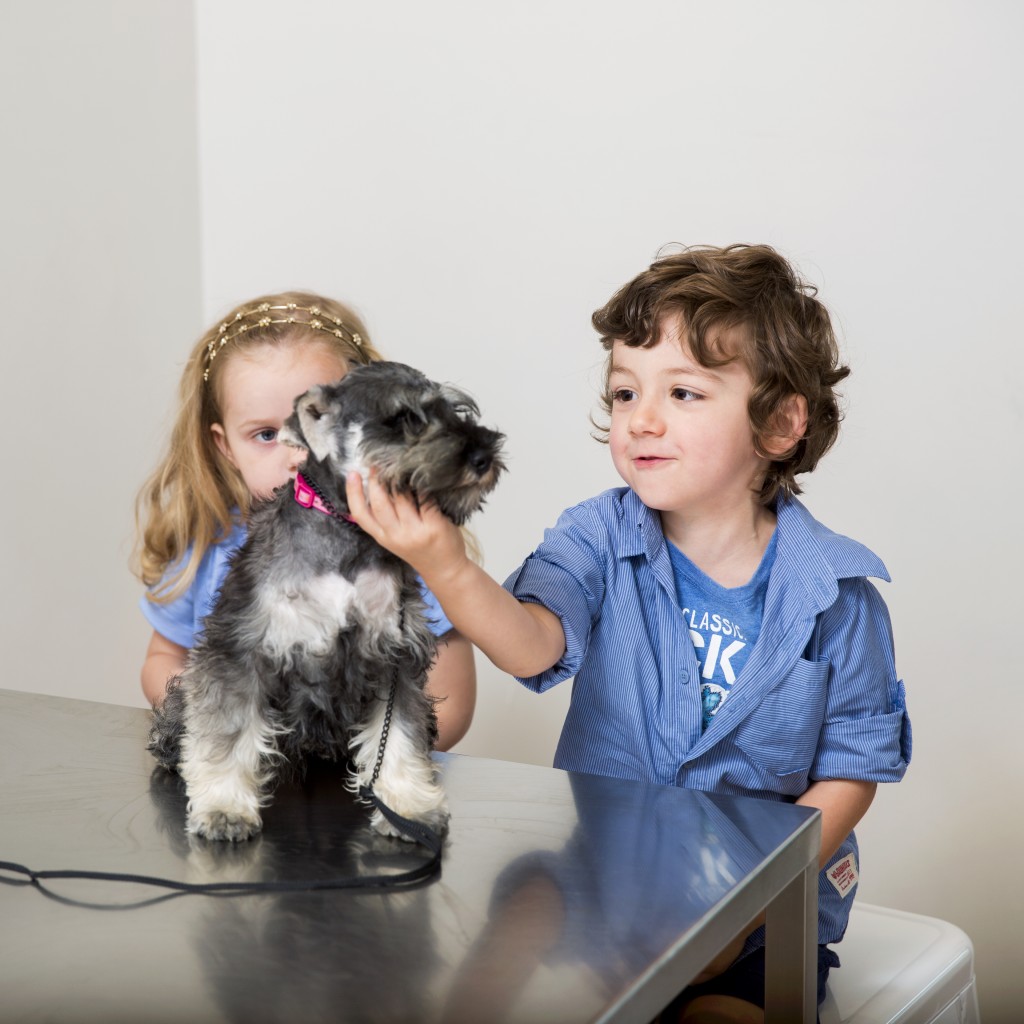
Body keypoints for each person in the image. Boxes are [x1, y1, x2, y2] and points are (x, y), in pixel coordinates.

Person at [346, 245, 912, 1022]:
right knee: (525, 911)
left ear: (780, 424)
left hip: (761, 915)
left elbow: (851, 773)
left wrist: (749, 899)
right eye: (623, 393)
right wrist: (443, 562)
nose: (640, 419)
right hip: (603, 878)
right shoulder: (597, 537)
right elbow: (530, 644)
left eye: (683, 392)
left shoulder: (840, 597)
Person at [132, 290, 476, 751]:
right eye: (267, 434)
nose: (296, 453)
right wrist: (217, 717)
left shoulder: (406, 553)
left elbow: (450, 702)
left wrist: (382, 752)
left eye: (317, 425)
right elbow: (162, 658)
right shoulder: (208, 546)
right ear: (225, 446)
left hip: (359, 785)